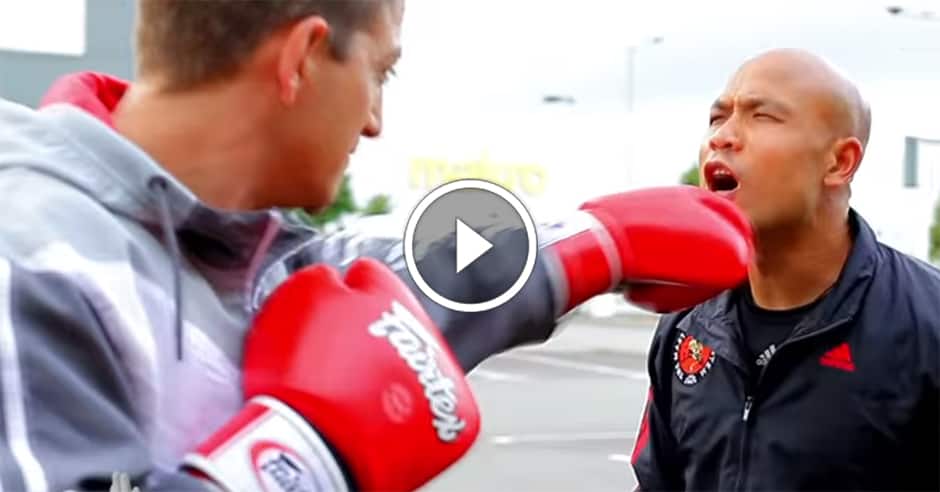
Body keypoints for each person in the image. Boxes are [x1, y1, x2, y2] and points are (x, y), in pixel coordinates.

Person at [0, 1, 755, 491]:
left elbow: (392, 288)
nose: (375, 124)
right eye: (379, 73)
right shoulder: (27, 260)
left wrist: (598, 244)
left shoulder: (238, 256)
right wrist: (296, 459)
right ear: (301, 57)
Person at [630, 48, 940, 491]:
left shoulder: (926, 324)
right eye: (717, 118)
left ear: (839, 162)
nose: (723, 137)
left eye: (762, 117)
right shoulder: (687, 321)